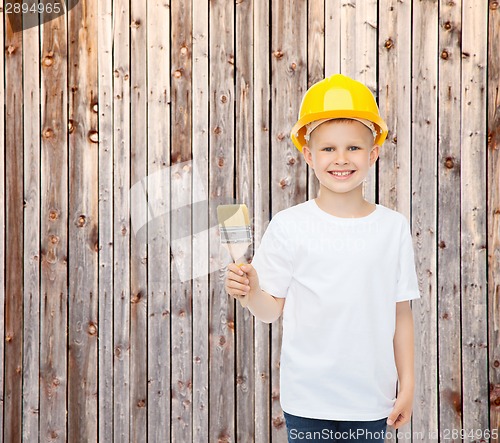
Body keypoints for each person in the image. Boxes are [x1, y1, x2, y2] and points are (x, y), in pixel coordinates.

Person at [225, 74, 420, 442]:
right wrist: (249, 291)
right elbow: (270, 310)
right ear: (308, 155)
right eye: (328, 149)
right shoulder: (288, 226)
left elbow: (401, 313)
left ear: (373, 152)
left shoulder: (392, 228)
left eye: (354, 148)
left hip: (371, 402)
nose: (341, 159)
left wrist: (407, 385)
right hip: (308, 402)